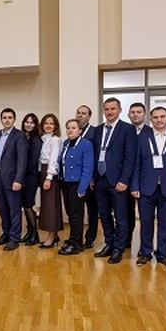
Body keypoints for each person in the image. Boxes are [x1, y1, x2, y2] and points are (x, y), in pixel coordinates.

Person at [130, 107, 166, 270]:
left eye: (162, 117)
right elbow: (136, 163)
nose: (159, 120)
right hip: (145, 187)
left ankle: (163, 254)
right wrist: (134, 185)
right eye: (155, 117)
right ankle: (145, 253)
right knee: (146, 222)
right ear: (151, 119)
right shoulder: (142, 138)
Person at [93, 97, 137, 265]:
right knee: (104, 215)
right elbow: (94, 154)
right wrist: (92, 178)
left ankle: (119, 248)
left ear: (119, 110)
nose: (109, 112)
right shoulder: (98, 130)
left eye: (113, 109)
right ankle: (109, 244)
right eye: (107, 109)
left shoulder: (127, 129)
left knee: (121, 216)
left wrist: (124, 180)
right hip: (100, 179)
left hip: (118, 180)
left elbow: (130, 157)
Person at [57, 119, 94, 256]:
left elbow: (88, 168)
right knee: (70, 213)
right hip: (65, 182)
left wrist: (82, 188)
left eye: (73, 128)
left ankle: (76, 244)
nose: (70, 130)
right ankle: (74, 238)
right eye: (68, 128)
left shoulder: (86, 145)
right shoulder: (66, 143)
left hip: (77, 184)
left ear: (80, 131)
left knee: (76, 215)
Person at [0, 108, 26, 252]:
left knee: (14, 209)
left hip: (12, 178)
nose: (7, 120)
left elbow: (22, 160)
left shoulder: (19, 136)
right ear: (1, 119)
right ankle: (6, 233)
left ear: (14, 119)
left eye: (10, 117)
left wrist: (18, 179)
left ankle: (14, 237)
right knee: (2, 208)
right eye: (4, 117)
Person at [36, 113, 65, 249]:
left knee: (50, 206)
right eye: (46, 123)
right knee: (45, 205)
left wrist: (49, 177)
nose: (48, 126)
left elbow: (53, 159)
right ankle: (54, 234)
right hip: (42, 171)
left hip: (50, 173)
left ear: (56, 126)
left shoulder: (55, 140)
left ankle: (51, 236)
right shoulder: (43, 139)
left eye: (51, 123)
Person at [76, 104, 100, 249]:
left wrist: (92, 177)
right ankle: (76, 238)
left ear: (89, 116)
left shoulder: (95, 132)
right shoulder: (73, 131)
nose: (80, 115)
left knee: (92, 210)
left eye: (84, 113)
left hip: (90, 179)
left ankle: (90, 238)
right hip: (76, 178)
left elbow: (96, 156)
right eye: (78, 113)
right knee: (77, 210)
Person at [125, 102, 147, 251]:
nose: (135, 114)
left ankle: (145, 247)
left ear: (144, 114)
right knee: (127, 212)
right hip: (125, 178)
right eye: (133, 112)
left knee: (145, 215)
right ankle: (126, 240)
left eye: (139, 112)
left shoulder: (150, 132)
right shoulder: (125, 130)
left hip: (144, 179)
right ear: (128, 115)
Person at [19, 113, 42, 246]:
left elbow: (33, 161)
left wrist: (22, 175)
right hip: (23, 176)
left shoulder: (35, 139)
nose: (28, 124)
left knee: (28, 205)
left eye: (31, 122)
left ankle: (35, 234)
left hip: (30, 177)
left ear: (35, 125)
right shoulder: (23, 137)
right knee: (25, 205)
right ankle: (29, 232)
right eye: (26, 122)